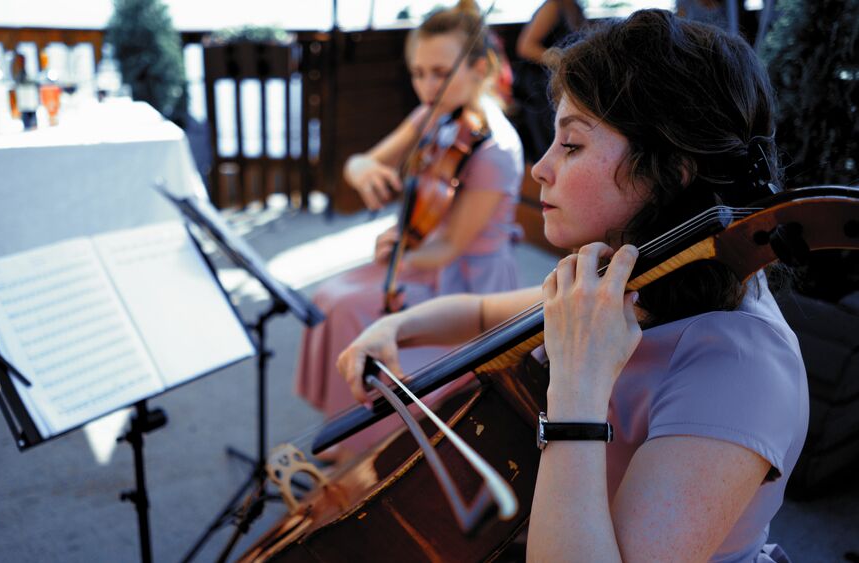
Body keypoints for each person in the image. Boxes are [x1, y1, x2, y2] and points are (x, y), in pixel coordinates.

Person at [337, 9, 805, 562]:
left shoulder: (739, 369)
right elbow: (488, 312)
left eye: (572, 145)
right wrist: (398, 325)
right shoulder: (625, 282)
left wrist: (578, 387)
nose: (539, 168)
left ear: (672, 169)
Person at [295, 0, 525, 460]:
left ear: (479, 68)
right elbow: (363, 161)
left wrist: (399, 250)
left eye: (440, 72)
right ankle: (347, 429)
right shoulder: (431, 118)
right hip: (421, 256)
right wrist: (362, 172)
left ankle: (360, 445)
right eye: (418, 73)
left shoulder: (496, 149)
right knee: (326, 298)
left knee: (347, 306)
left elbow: (449, 247)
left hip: (465, 276)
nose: (427, 86)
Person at [512, 0, 586, 164]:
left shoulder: (574, 8)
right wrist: (561, 59)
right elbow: (525, 46)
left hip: (557, 87)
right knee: (547, 144)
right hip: (541, 91)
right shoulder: (553, 7)